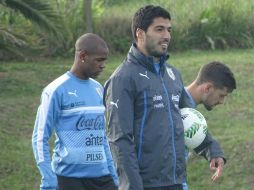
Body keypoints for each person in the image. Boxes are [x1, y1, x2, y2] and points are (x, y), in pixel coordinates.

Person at [32, 33, 118, 190]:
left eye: (104, 60)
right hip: (69, 179)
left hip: (102, 178)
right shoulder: (55, 90)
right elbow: (39, 138)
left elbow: (102, 137)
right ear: (83, 56)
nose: (103, 65)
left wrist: (113, 174)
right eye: (99, 60)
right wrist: (50, 180)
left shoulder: (99, 89)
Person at [182, 61, 236, 190]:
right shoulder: (171, 104)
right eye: (221, 95)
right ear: (207, 88)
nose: (222, 101)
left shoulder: (187, 111)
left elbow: (194, 132)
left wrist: (214, 153)